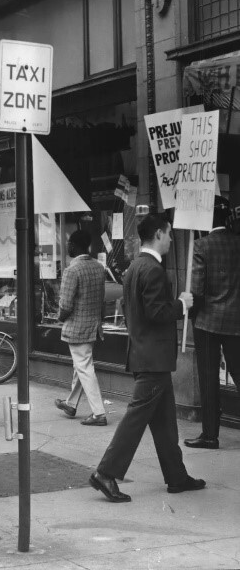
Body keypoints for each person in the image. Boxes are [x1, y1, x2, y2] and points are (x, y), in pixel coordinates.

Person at [90, 214, 205, 502]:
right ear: (157, 234)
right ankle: (106, 472)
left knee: (165, 423)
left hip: (146, 354)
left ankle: (176, 476)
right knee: (136, 418)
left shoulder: (134, 267)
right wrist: (181, 304)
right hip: (153, 358)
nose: (170, 239)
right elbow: (157, 313)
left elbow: (136, 313)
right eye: (168, 234)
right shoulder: (153, 270)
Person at [184, 197, 240, 450]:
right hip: (236, 320)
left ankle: (210, 435)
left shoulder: (201, 245)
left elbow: (196, 288)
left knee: (208, 379)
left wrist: (192, 315)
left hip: (207, 321)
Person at [54, 229, 107, 426]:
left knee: (84, 368)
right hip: (93, 326)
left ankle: (99, 413)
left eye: (69, 243)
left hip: (77, 327)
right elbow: (102, 300)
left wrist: (59, 317)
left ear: (75, 246)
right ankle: (71, 403)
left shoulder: (72, 270)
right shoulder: (98, 267)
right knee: (81, 366)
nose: (67, 246)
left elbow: (65, 305)